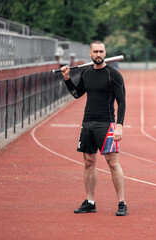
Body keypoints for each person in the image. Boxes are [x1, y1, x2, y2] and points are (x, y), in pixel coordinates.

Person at [60, 40, 127, 216]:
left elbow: (122, 101)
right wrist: (67, 78)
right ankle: (90, 202)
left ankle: (122, 203)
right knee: (88, 162)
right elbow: (76, 94)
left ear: (105, 53)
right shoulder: (86, 73)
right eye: (95, 51)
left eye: (101, 51)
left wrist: (119, 126)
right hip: (87, 123)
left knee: (112, 162)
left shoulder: (114, 75)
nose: (99, 54)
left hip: (107, 124)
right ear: (90, 54)